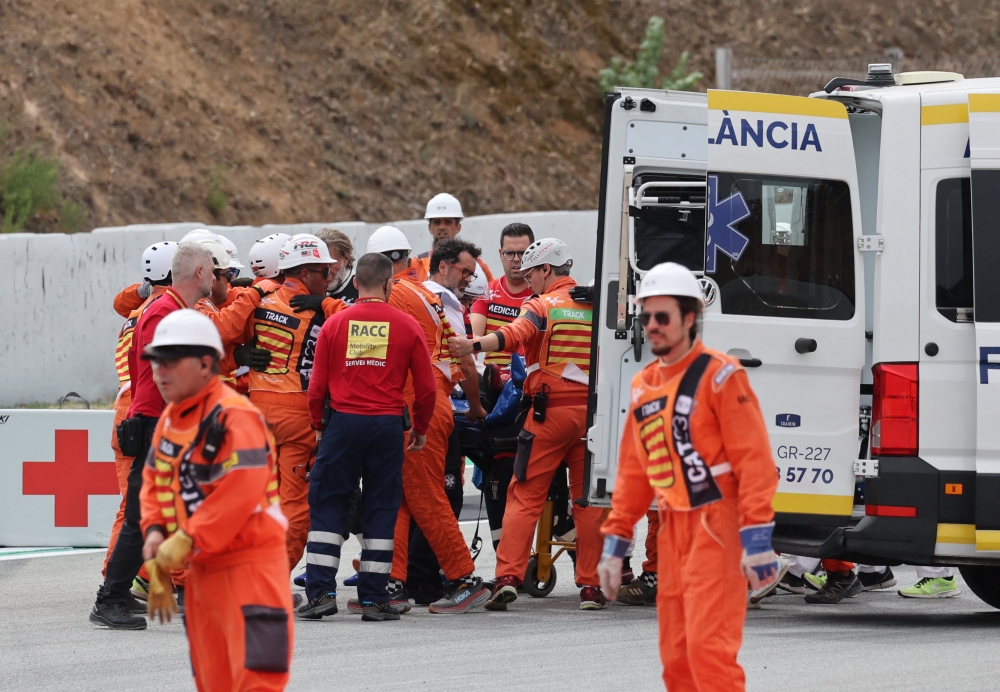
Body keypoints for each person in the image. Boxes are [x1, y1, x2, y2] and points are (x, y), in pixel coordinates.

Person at [596, 262, 781, 691]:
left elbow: (755, 464)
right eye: (646, 317)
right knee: (676, 660)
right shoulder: (643, 384)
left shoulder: (720, 376)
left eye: (663, 317)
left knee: (709, 655)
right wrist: (615, 542)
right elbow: (635, 472)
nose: (653, 326)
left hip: (717, 527)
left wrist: (756, 540)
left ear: (691, 319)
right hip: (674, 531)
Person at [138, 309, 293, 690]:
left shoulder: (237, 417)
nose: (160, 372)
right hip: (201, 574)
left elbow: (239, 490)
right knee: (212, 683)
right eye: (157, 362)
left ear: (206, 363)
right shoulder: (172, 419)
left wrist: (189, 537)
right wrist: (156, 534)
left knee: (256, 682)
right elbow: (155, 481)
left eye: (171, 362)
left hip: (249, 571)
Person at [449, 238, 606, 610]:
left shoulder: (542, 305)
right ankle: (591, 587)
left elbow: (513, 335)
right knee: (588, 503)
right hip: (591, 420)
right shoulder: (595, 304)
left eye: (531, 272)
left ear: (546, 270)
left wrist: (473, 346)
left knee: (525, 495)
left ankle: (507, 577)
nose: (528, 279)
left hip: (548, 415)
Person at [297, 253, 437, 621]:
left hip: (342, 425)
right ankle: (374, 599)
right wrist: (420, 429)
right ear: (390, 284)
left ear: (355, 282)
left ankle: (321, 594)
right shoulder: (407, 326)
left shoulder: (335, 324)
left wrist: (317, 425)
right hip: (387, 427)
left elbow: (317, 387)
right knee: (381, 507)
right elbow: (426, 389)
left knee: (328, 503)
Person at [91, 242, 216, 629]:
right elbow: (164, 377)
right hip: (156, 426)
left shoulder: (170, 310)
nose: (215, 276)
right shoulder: (165, 312)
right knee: (139, 516)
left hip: (157, 424)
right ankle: (109, 598)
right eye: (212, 270)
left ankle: (123, 592)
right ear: (198, 273)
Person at [367, 226, 492, 613]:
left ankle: (463, 577)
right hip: (426, 402)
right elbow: (460, 359)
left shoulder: (399, 296)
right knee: (401, 498)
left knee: (424, 496)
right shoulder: (428, 296)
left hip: (417, 404)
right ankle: (392, 580)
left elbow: (361, 341)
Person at [240, 234, 345, 571]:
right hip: (297, 414)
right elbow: (359, 324)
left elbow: (215, 322)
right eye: (323, 272)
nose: (329, 279)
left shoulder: (256, 297)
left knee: (257, 500)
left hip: (256, 411)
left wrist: (235, 354)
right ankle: (268, 579)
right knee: (296, 505)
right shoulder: (324, 311)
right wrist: (325, 304)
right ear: (303, 273)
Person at [105, 242, 176, 586]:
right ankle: (123, 578)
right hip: (143, 407)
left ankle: (122, 576)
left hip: (128, 407)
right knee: (138, 507)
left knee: (134, 505)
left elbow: (121, 301)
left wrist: (141, 288)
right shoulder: (166, 310)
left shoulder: (138, 309)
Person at [468, 222, 535, 552]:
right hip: (497, 395)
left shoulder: (542, 295)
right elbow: (475, 335)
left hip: (532, 393)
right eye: (510, 253)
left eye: (524, 253)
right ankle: (505, 553)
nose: (517, 259)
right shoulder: (488, 292)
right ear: (500, 254)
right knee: (493, 476)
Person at [418, 192, 494, 283]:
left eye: (448, 222)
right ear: (429, 228)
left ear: (458, 227)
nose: (442, 227)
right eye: (437, 222)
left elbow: (491, 293)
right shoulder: (417, 264)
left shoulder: (477, 265)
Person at [315, 228, 358, 305]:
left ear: (345, 259)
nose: (326, 272)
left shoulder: (361, 287)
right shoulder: (310, 285)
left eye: (330, 264)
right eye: (318, 264)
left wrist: (321, 304)